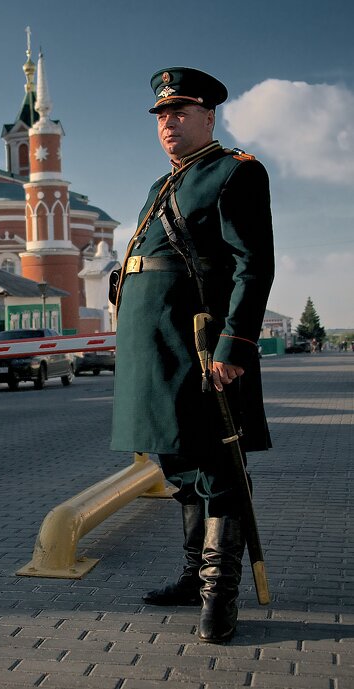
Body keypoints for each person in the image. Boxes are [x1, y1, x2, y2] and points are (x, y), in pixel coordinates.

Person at [111, 67, 274, 643]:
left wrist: (234, 346)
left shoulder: (234, 173)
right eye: (161, 116)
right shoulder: (163, 186)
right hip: (156, 349)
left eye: (179, 113)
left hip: (201, 347)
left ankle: (219, 597)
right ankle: (190, 576)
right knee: (179, 464)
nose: (168, 124)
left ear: (209, 116)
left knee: (218, 469)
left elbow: (254, 265)